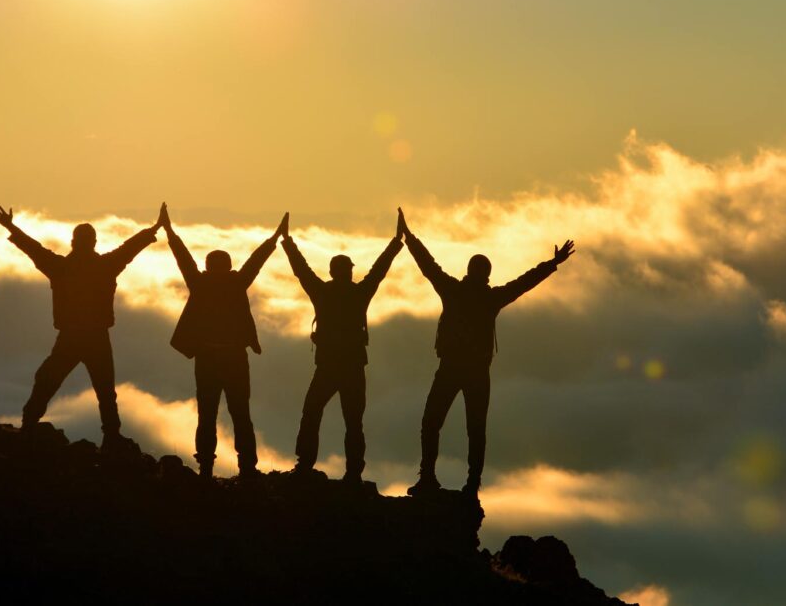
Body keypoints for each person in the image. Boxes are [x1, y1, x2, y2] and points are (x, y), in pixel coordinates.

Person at [398, 208, 574, 496]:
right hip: (476, 371)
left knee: (433, 422)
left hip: (453, 368)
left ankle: (430, 477)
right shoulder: (491, 298)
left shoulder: (453, 290)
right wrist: (553, 263)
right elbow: (524, 282)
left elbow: (428, 265)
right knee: (473, 429)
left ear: (470, 271)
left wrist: (409, 237)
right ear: (486, 274)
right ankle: (469, 484)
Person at [0, 203, 162, 447]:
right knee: (103, 390)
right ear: (93, 243)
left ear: (74, 242)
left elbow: (33, 249)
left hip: (72, 337)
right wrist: (154, 228)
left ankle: (29, 424)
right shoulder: (104, 266)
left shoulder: (61, 267)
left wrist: (10, 226)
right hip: (96, 337)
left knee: (49, 380)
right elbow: (129, 248)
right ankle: (111, 435)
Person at [161, 207, 287, 478]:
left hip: (208, 358)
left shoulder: (200, 282)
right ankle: (247, 467)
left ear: (208, 266)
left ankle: (206, 466)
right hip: (233, 359)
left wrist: (170, 232)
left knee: (208, 414)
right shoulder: (236, 282)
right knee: (240, 413)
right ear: (228, 266)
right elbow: (257, 260)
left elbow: (183, 259)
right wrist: (275, 238)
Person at [280, 213, 403, 483]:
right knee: (351, 422)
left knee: (313, 413)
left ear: (332, 272)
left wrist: (287, 242)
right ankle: (353, 473)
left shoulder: (322, 292)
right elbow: (379, 270)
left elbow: (301, 270)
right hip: (352, 367)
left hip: (328, 366)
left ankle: (306, 465)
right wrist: (396, 242)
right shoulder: (359, 293)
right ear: (347, 271)